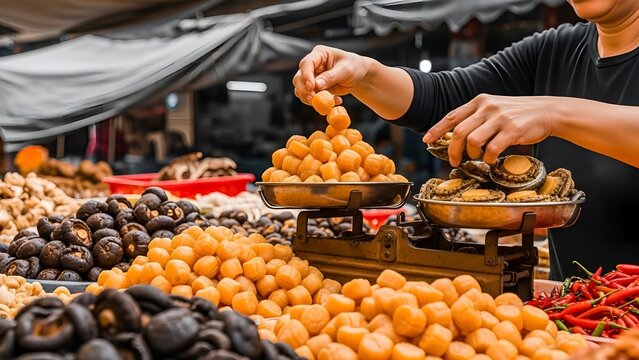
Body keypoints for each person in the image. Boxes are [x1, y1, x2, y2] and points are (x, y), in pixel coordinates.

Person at [292, 0, 639, 279]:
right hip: (584, 318)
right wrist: (366, 75)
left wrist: (554, 114)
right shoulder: (555, 49)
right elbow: (446, 99)